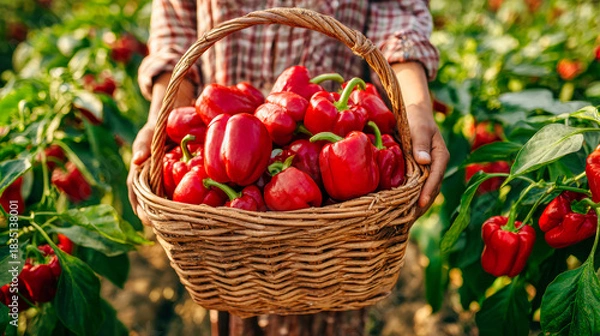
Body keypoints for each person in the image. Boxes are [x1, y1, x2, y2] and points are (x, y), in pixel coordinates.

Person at [126, 0, 449, 334]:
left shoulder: (344, 130)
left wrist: (415, 108)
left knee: (332, 310)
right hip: (224, 222)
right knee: (238, 305)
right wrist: (162, 121)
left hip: (340, 236)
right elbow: (175, 32)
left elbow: (399, 19)